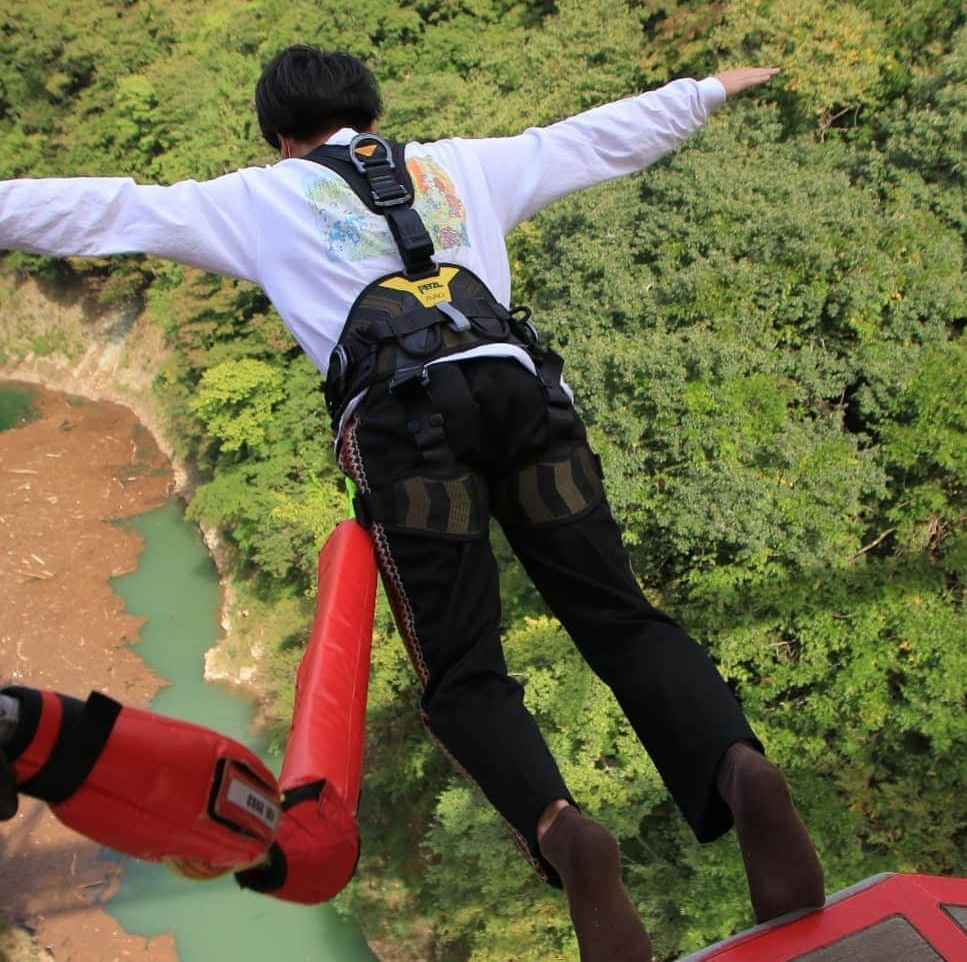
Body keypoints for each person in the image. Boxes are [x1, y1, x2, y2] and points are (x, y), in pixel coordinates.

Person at [0, 47, 824, 958]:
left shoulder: (256, 197)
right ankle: (737, 768)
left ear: (280, 137)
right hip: (527, 404)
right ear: (370, 111)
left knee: (463, 675)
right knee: (622, 622)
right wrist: (703, 92)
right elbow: (592, 140)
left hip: (411, 437)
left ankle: (564, 831)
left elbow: (107, 208)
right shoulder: (458, 165)